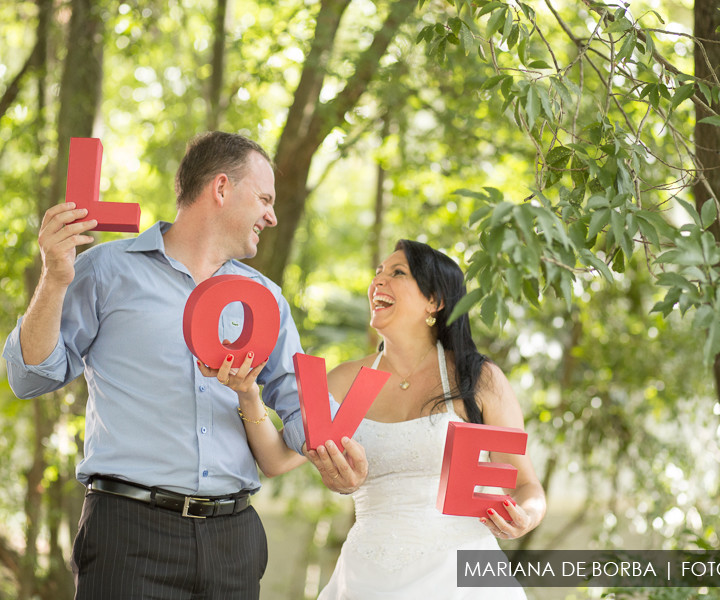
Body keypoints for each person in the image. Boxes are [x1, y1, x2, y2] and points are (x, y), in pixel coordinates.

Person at [2, 131, 366, 600]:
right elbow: (29, 377)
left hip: (233, 541)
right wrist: (54, 279)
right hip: (129, 537)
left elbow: (303, 408)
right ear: (221, 188)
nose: (272, 216)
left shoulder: (265, 300)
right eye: (264, 199)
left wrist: (336, 454)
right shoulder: (105, 271)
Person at [232, 239, 546, 598]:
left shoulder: (477, 378)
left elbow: (527, 486)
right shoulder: (343, 380)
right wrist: (248, 394)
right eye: (377, 272)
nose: (378, 282)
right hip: (367, 578)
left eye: (398, 273)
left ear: (435, 301)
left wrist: (525, 516)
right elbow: (275, 461)